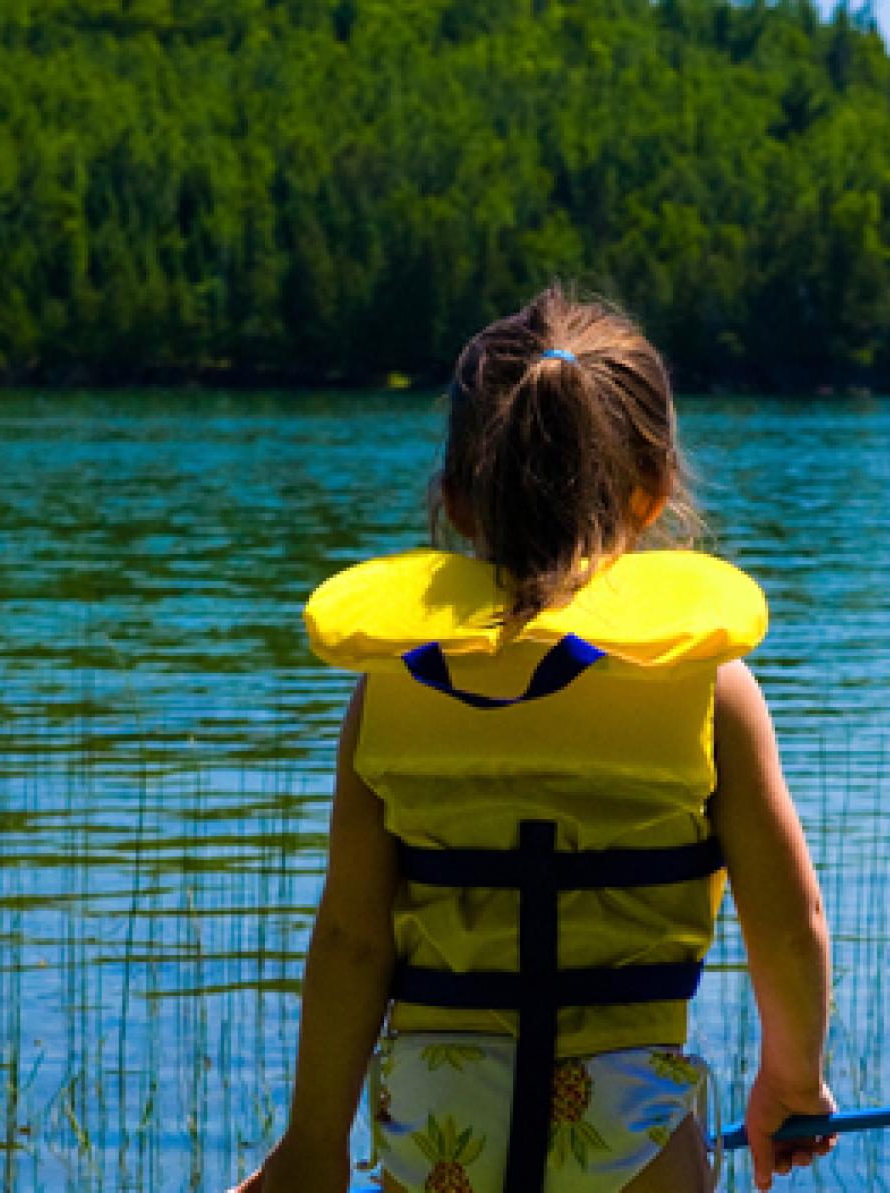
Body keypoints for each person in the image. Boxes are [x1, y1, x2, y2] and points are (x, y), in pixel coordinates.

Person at [236, 287, 834, 1193]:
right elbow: (790, 923)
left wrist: (313, 1142)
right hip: (632, 1123)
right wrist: (793, 1080)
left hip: (443, 1118)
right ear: (655, 491)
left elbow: (353, 939)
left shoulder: (395, 683)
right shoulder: (709, 686)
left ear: (458, 501)